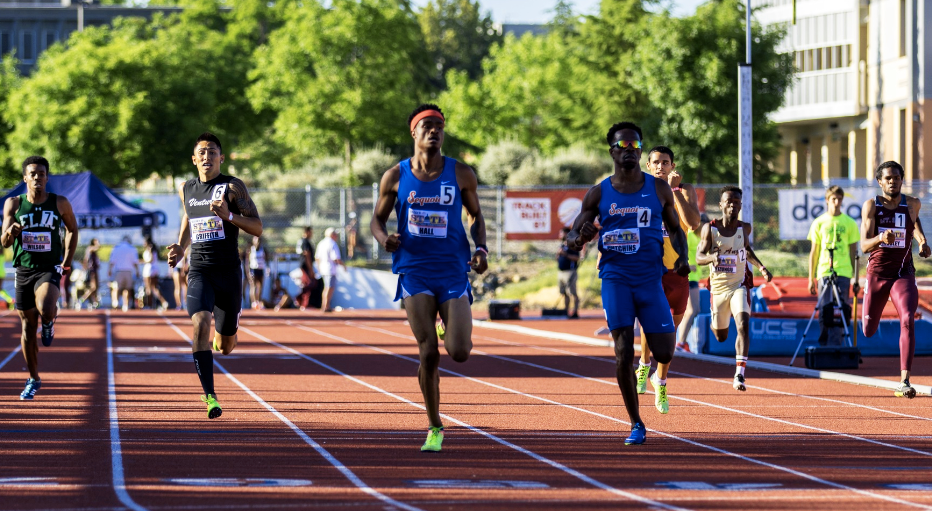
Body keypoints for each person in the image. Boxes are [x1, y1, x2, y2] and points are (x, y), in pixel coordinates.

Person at [371, 104, 488, 452]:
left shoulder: (461, 173)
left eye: (439, 126)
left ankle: (447, 322)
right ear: (414, 133)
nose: (434, 131)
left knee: (460, 351)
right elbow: (376, 221)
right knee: (429, 354)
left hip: (452, 269)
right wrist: (384, 240)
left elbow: (476, 215)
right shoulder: (395, 176)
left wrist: (481, 248)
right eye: (427, 126)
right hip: (414, 270)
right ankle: (435, 425)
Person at [566, 122, 689, 445]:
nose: (630, 151)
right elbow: (570, 240)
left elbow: (676, 229)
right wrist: (581, 237)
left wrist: (682, 257)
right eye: (624, 146)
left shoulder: (659, 189)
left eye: (636, 146)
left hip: (651, 280)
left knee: (664, 351)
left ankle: (649, 366)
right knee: (622, 351)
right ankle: (636, 422)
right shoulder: (599, 193)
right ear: (613, 152)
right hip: (616, 280)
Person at [167, 132, 262, 419]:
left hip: (229, 273)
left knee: (226, 347)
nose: (207, 157)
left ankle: (230, 328)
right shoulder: (187, 188)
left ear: (221, 157)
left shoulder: (233, 188)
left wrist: (229, 216)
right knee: (200, 323)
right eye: (202, 152)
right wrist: (181, 247)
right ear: (194, 159)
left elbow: (257, 227)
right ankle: (210, 395)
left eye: (212, 152)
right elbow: (188, 217)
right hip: (199, 270)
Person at [2, 156, 78, 400]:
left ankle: (49, 321)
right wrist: (10, 233)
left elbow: (72, 230)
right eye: (33, 173)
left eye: (42, 174)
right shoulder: (13, 204)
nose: (37, 177)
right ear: (25, 178)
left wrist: (66, 260)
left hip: (49, 267)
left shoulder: (60, 203)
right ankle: (33, 378)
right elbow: (3, 242)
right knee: (26, 327)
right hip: (23, 270)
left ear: (47, 177)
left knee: (46, 306)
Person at [635, 145, 701, 414]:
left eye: (666, 162)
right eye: (656, 162)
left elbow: (693, 223)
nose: (661, 166)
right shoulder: (640, 191)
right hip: (651, 270)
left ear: (673, 166)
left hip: (679, 272)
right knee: (654, 323)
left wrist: (675, 193)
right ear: (648, 166)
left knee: (669, 332)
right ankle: (644, 364)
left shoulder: (684, 191)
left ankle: (660, 379)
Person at [859, 161, 931, 398]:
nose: (893, 182)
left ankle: (905, 380)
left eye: (897, 178)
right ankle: (869, 313)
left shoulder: (912, 204)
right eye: (888, 178)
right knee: (868, 330)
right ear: (880, 182)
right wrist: (881, 237)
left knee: (908, 318)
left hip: (903, 273)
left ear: (902, 180)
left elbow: (915, 220)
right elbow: (863, 246)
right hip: (877, 274)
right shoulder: (871, 206)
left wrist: (921, 241)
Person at [696, 186, 772, 392]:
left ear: (740, 205)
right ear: (721, 204)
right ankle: (718, 319)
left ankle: (740, 373)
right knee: (720, 336)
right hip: (718, 288)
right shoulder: (709, 229)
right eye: (729, 201)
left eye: (737, 202)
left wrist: (762, 267)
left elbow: (746, 250)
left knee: (743, 324)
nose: (733, 205)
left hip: (739, 284)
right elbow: (698, 257)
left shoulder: (744, 228)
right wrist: (712, 257)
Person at [807, 186, 860, 345]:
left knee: (840, 310)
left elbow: (854, 253)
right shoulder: (819, 222)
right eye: (833, 199)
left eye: (839, 199)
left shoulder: (849, 223)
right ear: (827, 200)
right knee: (825, 310)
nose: (836, 203)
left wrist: (856, 278)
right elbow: (814, 252)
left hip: (843, 272)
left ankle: (837, 345)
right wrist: (811, 278)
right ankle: (825, 344)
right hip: (824, 271)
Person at [676, 213, 710, 352]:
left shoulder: (700, 238)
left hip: (694, 278)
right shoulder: (689, 235)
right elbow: (677, 254)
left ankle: (681, 342)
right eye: (705, 226)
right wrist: (687, 266)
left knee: (693, 310)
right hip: (687, 277)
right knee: (692, 310)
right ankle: (680, 343)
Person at [315, 227, 344, 313]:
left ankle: (325, 305)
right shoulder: (332, 244)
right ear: (332, 235)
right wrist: (343, 265)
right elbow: (335, 258)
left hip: (323, 269)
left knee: (326, 288)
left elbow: (317, 257)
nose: (337, 236)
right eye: (335, 234)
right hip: (330, 269)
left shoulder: (321, 243)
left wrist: (319, 267)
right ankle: (326, 306)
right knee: (329, 288)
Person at [108, 236, 139, 312]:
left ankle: (116, 302)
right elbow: (135, 262)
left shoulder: (116, 248)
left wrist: (109, 270)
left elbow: (112, 261)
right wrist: (137, 271)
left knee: (117, 288)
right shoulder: (132, 248)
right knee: (127, 289)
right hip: (128, 271)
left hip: (119, 270)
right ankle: (125, 304)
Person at [556, 227, 581, 318]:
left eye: (562, 233)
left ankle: (575, 311)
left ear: (567, 234)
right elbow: (557, 258)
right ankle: (566, 310)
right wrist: (558, 254)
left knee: (572, 292)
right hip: (561, 272)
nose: (560, 235)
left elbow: (577, 258)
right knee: (564, 292)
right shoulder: (561, 245)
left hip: (570, 272)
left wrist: (565, 254)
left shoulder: (572, 245)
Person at [142, 236, 168, 310]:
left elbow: (150, 259)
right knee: (154, 288)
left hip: (149, 270)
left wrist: (142, 261)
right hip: (155, 270)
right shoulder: (154, 250)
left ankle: (149, 305)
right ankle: (163, 302)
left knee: (149, 288)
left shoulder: (150, 250)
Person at [296, 226, 317, 310]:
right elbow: (307, 254)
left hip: (304, 265)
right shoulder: (305, 242)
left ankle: (302, 302)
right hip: (305, 266)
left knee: (308, 284)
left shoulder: (302, 241)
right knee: (309, 284)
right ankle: (304, 303)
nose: (311, 234)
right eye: (310, 232)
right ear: (307, 232)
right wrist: (311, 269)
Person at [78, 238, 101, 309]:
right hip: (92, 271)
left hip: (95, 271)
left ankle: (95, 302)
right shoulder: (90, 248)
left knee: (96, 288)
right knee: (93, 287)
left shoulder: (92, 251)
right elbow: (97, 247)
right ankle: (82, 299)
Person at [248, 235, 268, 309]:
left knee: (260, 286)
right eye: (256, 240)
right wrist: (248, 272)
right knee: (253, 286)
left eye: (259, 240)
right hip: (253, 269)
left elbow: (267, 259)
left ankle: (258, 302)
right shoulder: (251, 249)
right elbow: (248, 262)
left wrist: (268, 268)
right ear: (254, 241)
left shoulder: (263, 249)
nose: (258, 242)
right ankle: (253, 302)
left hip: (261, 269)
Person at [172, 246, 189, 311]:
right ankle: (181, 304)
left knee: (182, 286)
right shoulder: (184, 247)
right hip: (179, 268)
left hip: (179, 267)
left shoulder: (176, 247)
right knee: (181, 286)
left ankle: (181, 304)